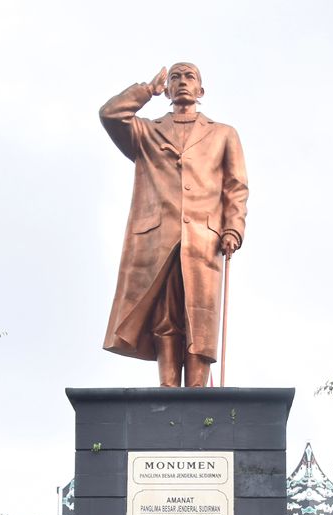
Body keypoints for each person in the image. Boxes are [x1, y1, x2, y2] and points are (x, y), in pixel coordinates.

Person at [100, 62, 248, 388]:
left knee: (201, 316)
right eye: (175, 77)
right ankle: (168, 387)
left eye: (189, 76)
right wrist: (145, 91)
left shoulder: (224, 134)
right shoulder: (147, 133)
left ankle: (197, 392)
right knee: (165, 316)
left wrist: (233, 228)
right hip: (159, 239)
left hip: (204, 239)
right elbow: (110, 114)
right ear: (167, 89)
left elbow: (235, 187)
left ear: (201, 90)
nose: (182, 82)